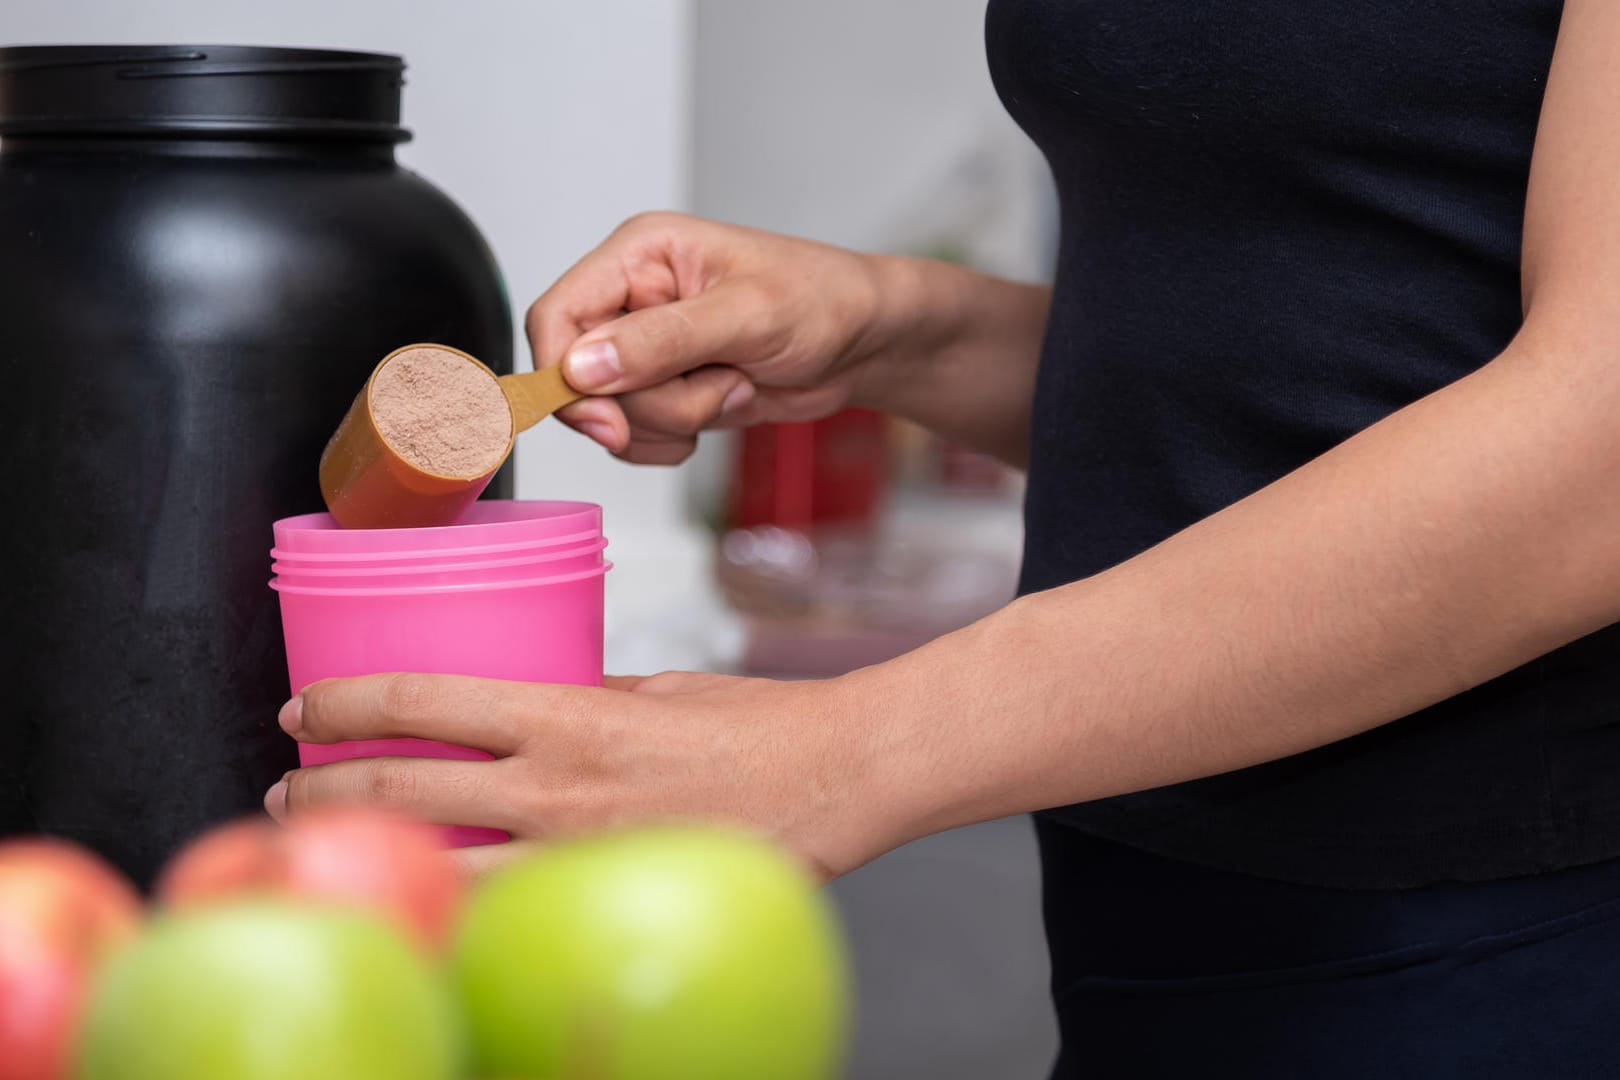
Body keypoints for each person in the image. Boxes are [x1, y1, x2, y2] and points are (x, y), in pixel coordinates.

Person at [264, 1, 1620, 1074]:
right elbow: (1325, 336)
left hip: (1519, 920)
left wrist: (844, 750)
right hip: (1157, 890)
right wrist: (898, 325)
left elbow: (1594, 457)